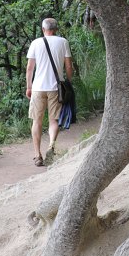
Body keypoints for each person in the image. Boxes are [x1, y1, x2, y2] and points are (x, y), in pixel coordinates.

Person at [25, 18, 73, 167]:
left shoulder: (35, 43)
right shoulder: (63, 42)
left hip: (38, 88)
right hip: (56, 88)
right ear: (56, 29)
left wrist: (29, 87)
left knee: (37, 121)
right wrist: (68, 82)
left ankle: (37, 155)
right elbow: (68, 66)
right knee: (53, 120)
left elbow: (30, 68)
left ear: (43, 29)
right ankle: (51, 145)